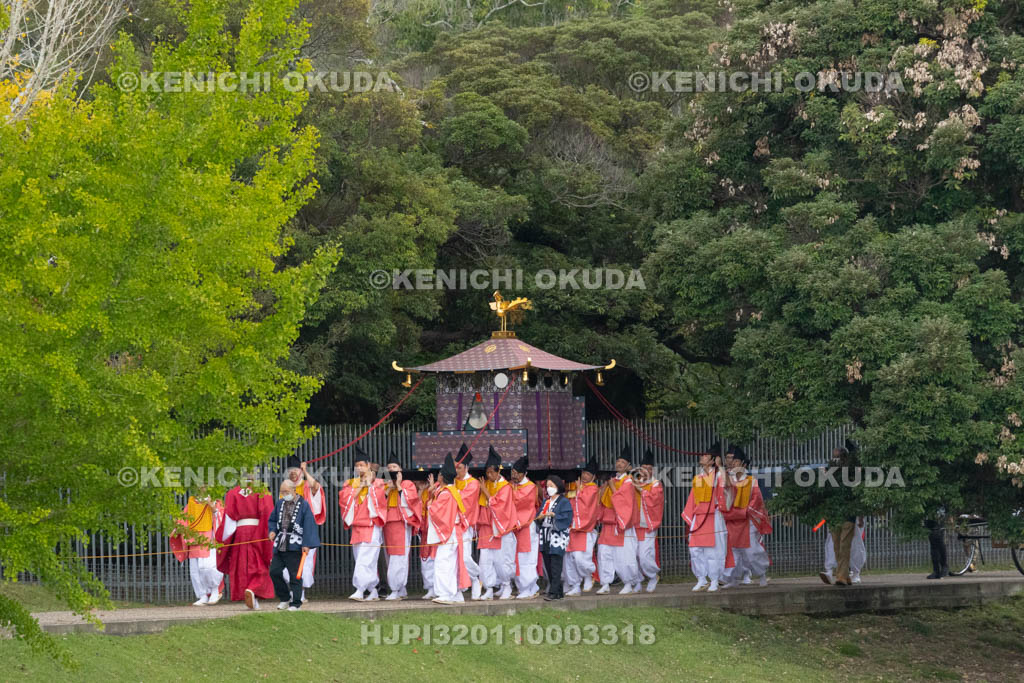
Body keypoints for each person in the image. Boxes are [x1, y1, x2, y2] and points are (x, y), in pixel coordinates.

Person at [216, 474, 275, 609]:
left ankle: (248, 594)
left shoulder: (233, 493)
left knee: (242, 565)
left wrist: (223, 540)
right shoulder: (262, 491)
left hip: (240, 533)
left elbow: (229, 519)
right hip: (257, 530)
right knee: (259, 564)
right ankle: (253, 590)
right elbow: (267, 512)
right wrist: (268, 533)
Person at [339, 447, 386, 601]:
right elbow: (345, 499)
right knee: (364, 559)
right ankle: (373, 590)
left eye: (362, 465)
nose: (359, 468)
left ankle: (359, 589)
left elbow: (380, 500)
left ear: (368, 465)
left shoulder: (378, 482)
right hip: (357, 526)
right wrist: (361, 486)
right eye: (357, 465)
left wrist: (370, 486)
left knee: (364, 560)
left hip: (371, 526)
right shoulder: (351, 483)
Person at [722, 447, 772, 588]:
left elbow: (757, 500)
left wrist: (743, 512)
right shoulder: (727, 480)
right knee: (733, 551)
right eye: (733, 461)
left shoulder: (751, 481)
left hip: (746, 520)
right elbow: (722, 496)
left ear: (744, 465)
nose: (733, 464)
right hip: (731, 520)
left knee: (752, 550)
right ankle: (733, 579)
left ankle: (761, 574)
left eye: (737, 461)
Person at [268, 479, 321, 611]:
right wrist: (273, 530)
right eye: (282, 492)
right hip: (281, 543)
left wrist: (306, 543)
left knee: (295, 574)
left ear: (294, 490)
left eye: (286, 491)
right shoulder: (280, 504)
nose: (284, 494)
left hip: (295, 545)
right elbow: (273, 519)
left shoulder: (304, 505)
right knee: (274, 571)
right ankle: (285, 598)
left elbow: (309, 524)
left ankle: (296, 602)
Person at [682, 444, 729, 592]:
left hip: (713, 516)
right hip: (699, 516)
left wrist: (720, 467)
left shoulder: (719, 475)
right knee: (695, 549)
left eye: (705, 456)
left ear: (713, 460)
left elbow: (727, 485)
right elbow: (692, 498)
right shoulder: (698, 477)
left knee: (713, 551)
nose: (702, 457)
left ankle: (714, 579)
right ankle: (701, 579)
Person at [426, 453, 471, 604]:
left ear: (441, 478)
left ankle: (446, 593)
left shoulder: (446, 493)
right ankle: (456, 594)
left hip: (449, 532)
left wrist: (429, 504)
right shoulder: (453, 491)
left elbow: (436, 511)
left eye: (439, 474)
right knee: (452, 563)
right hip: (453, 532)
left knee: (443, 562)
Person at [596, 446, 641, 595]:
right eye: (618, 461)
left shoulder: (629, 482)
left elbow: (622, 500)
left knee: (624, 556)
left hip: (622, 523)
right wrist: (604, 489)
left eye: (623, 462)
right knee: (604, 554)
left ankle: (628, 582)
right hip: (608, 523)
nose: (619, 464)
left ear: (629, 466)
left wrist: (611, 487)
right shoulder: (612, 480)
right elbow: (602, 500)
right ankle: (605, 583)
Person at [279, 461, 325, 603]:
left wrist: (305, 472)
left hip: (306, 529)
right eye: (290, 469)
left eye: (295, 469)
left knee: (305, 563)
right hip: (289, 531)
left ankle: (300, 594)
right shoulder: (286, 487)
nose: (293, 472)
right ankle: (294, 591)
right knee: (287, 563)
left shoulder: (306, 484)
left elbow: (316, 488)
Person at [170, 488, 224, 606]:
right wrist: (178, 524)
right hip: (193, 537)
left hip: (209, 537)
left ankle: (215, 590)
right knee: (195, 570)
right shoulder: (192, 501)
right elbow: (185, 518)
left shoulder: (213, 499)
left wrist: (212, 506)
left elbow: (219, 515)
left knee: (208, 566)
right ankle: (202, 595)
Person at [477, 446, 517, 601]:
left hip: (501, 529)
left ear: (498, 471)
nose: (488, 475)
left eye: (491, 472)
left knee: (502, 561)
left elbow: (500, 507)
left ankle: (506, 585)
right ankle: (488, 587)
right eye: (487, 472)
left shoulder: (506, 487)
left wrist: (485, 492)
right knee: (485, 561)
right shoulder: (485, 483)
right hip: (487, 528)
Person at [818, 443, 861, 587]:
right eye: (834, 457)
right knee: (836, 545)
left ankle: (841, 576)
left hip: (848, 514)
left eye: (838, 456)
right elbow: (825, 492)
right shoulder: (830, 472)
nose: (835, 459)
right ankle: (844, 575)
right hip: (834, 514)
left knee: (844, 545)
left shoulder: (851, 472)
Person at [382, 453, 422, 600]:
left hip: (400, 522)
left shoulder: (407, 484)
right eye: (389, 467)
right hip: (387, 523)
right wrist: (387, 490)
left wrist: (398, 486)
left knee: (399, 556)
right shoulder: (385, 484)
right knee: (390, 557)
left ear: (400, 469)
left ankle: (396, 588)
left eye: (394, 467)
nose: (391, 469)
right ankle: (400, 588)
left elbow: (412, 502)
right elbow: (378, 503)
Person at [565, 456, 600, 596]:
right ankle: (575, 586)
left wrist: (578, 492)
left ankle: (589, 574)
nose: (585, 476)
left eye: (588, 475)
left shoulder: (593, 489)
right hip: (571, 528)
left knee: (580, 558)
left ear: (593, 477)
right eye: (584, 473)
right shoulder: (576, 486)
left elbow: (587, 504)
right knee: (571, 559)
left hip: (584, 529)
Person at [453, 443, 483, 600]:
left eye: (459, 468)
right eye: (455, 468)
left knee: (464, 557)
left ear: (466, 468)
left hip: (465, 524)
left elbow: (463, 500)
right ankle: (461, 585)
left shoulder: (473, 483)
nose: (456, 471)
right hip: (452, 525)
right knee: (455, 557)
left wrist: (451, 491)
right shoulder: (453, 481)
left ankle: (476, 577)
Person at [632, 449, 664, 593]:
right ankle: (638, 581)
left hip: (647, 524)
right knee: (634, 555)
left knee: (644, 555)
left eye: (650, 469)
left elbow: (655, 500)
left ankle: (652, 575)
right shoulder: (634, 482)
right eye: (644, 468)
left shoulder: (656, 484)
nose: (647, 471)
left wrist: (642, 491)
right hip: (634, 524)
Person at [537, 475, 573, 601]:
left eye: (551, 486)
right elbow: (539, 516)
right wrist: (540, 518)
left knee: (556, 563)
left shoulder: (564, 502)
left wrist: (554, 515)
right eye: (547, 486)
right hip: (546, 534)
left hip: (557, 535)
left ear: (558, 486)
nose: (549, 488)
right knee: (547, 563)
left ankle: (553, 592)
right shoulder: (546, 501)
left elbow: (567, 517)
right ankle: (557, 590)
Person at [510, 455, 540, 599]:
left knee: (526, 558)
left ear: (524, 473)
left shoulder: (530, 487)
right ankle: (528, 587)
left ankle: (527, 588)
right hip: (516, 527)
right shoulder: (513, 485)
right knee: (517, 558)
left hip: (526, 526)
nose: (514, 475)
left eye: (517, 473)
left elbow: (519, 502)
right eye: (512, 472)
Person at [924, 506, 949, 579]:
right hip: (931, 511)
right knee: (933, 544)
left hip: (942, 511)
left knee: (939, 539)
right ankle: (936, 570)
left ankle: (944, 566)